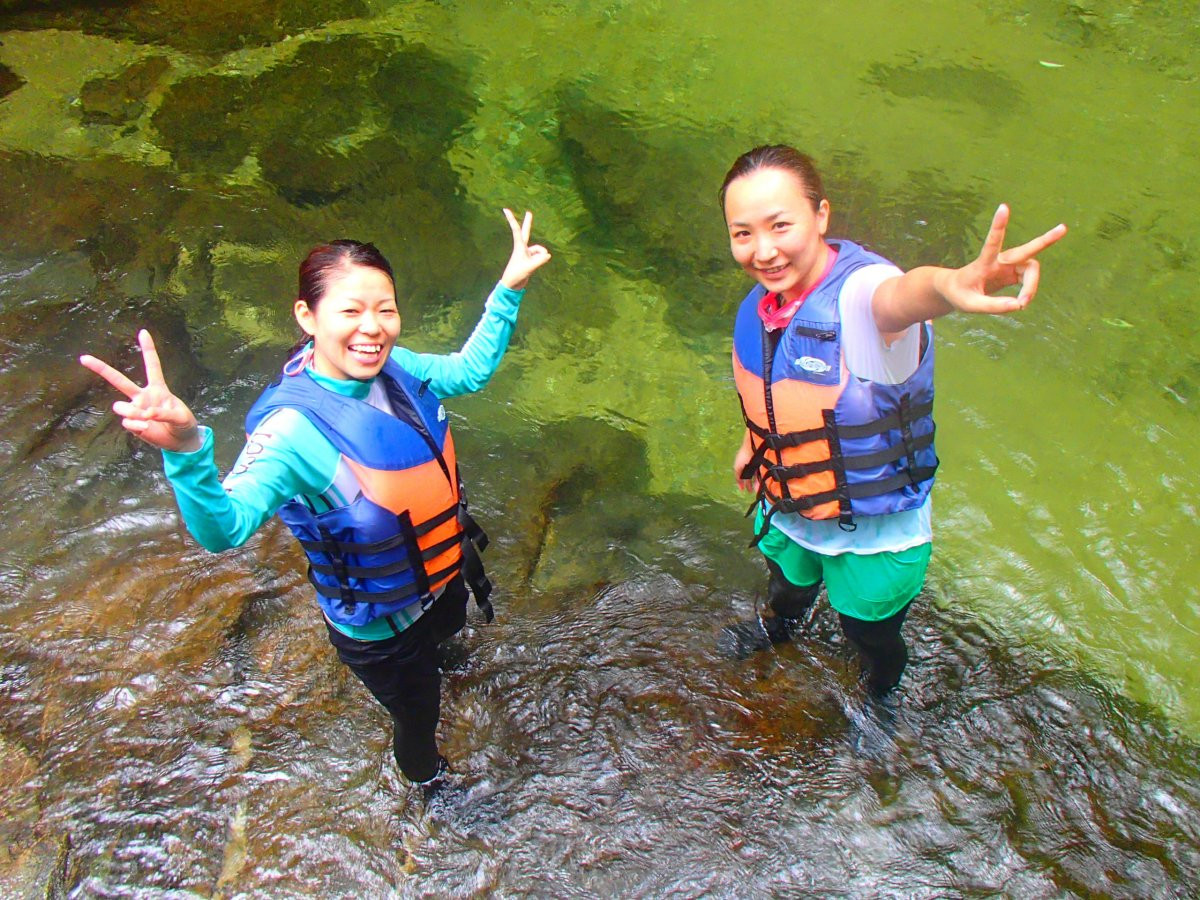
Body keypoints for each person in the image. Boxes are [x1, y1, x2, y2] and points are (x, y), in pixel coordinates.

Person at [80, 209, 551, 797]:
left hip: (441, 579)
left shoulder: (394, 368)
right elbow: (224, 528)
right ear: (307, 315)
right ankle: (429, 787)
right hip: (382, 626)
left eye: (385, 309)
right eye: (350, 311)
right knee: (418, 718)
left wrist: (507, 291)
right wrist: (186, 449)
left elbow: (468, 370)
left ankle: (444, 666)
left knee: (449, 646)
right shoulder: (292, 429)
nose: (372, 328)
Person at [716, 145, 1066, 694]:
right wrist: (749, 443)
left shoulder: (861, 300)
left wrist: (949, 286)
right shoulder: (769, 301)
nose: (763, 250)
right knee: (786, 586)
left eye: (780, 226)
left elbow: (903, 296)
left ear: (821, 217)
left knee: (867, 631)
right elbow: (776, 388)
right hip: (790, 500)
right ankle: (780, 629)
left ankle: (881, 690)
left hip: (872, 528)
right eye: (743, 233)